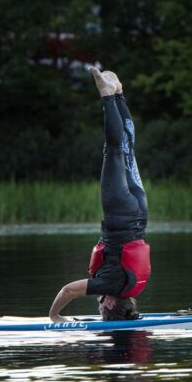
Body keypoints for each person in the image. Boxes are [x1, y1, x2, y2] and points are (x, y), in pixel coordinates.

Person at [49, 66, 151, 323]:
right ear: (109, 304)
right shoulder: (109, 284)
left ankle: (118, 94)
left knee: (128, 150)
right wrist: (55, 316)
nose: (98, 302)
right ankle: (107, 94)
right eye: (100, 306)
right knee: (114, 149)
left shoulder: (133, 285)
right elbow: (68, 290)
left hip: (140, 212)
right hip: (120, 213)